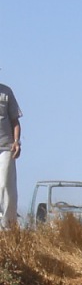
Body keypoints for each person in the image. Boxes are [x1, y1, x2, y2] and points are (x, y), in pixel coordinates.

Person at [0, 80, 22, 229]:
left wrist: (17, 142)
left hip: (6, 146)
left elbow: (15, 121)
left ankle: (8, 227)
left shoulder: (6, 92)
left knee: (5, 186)